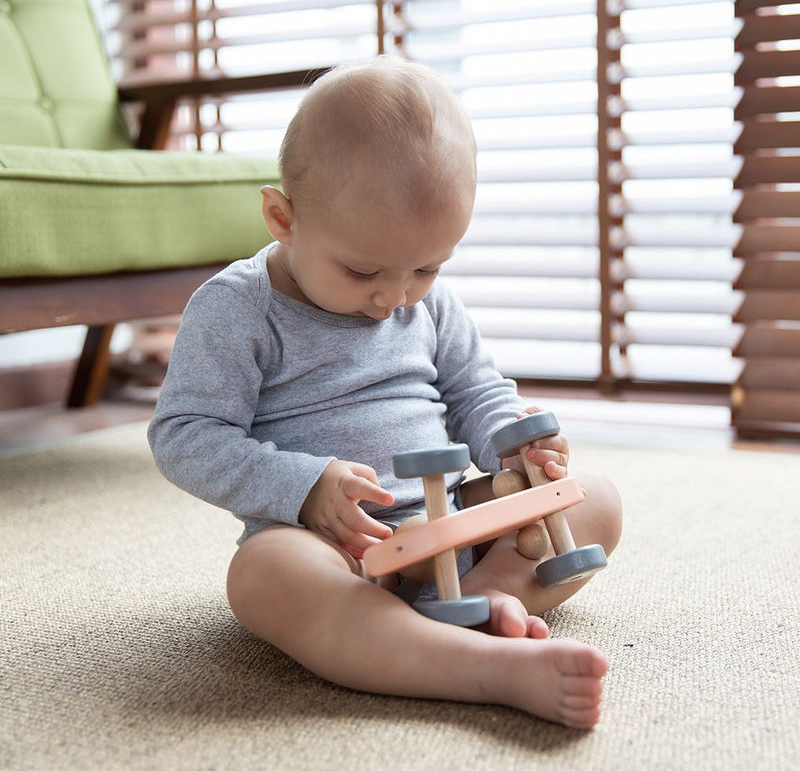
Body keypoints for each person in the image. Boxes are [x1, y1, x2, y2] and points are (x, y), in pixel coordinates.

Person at [148, 56, 622, 729]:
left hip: (458, 515)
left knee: (595, 500)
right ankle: (481, 665)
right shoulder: (236, 310)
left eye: (427, 267)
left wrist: (515, 441)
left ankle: (467, 611)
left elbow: (476, 390)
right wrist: (302, 487)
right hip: (336, 548)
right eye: (363, 269)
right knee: (262, 578)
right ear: (282, 217)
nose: (394, 297)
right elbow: (184, 436)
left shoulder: (429, 304)